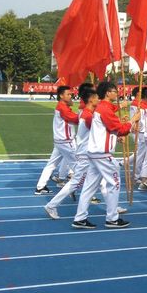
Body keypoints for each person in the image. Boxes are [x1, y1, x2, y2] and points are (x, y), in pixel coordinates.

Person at [72, 81, 139, 229]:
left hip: (95, 153)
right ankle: (112, 218)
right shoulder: (104, 109)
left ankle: (80, 218)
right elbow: (120, 129)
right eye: (115, 91)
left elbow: (112, 127)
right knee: (114, 184)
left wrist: (123, 122)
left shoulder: (102, 108)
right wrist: (132, 121)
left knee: (89, 187)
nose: (118, 93)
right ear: (108, 93)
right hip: (102, 154)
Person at [44, 88, 111, 219]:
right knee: (76, 183)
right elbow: (102, 129)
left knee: (102, 181)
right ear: (91, 99)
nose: (99, 100)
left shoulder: (85, 113)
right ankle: (52, 205)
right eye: (97, 98)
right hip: (86, 155)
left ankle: (112, 208)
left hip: (88, 154)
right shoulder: (87, 116)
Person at [35, 86, 79, 194]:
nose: (70, 96)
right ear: (61, 95)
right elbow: (75, 119)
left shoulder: (62, 106)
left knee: (51, 165)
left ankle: (40, 187)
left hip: (59, 141)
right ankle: (75, 188)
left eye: (70, 94)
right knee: (79, 166)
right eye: (68, 94)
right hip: (66, 141)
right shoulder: (63, 108)